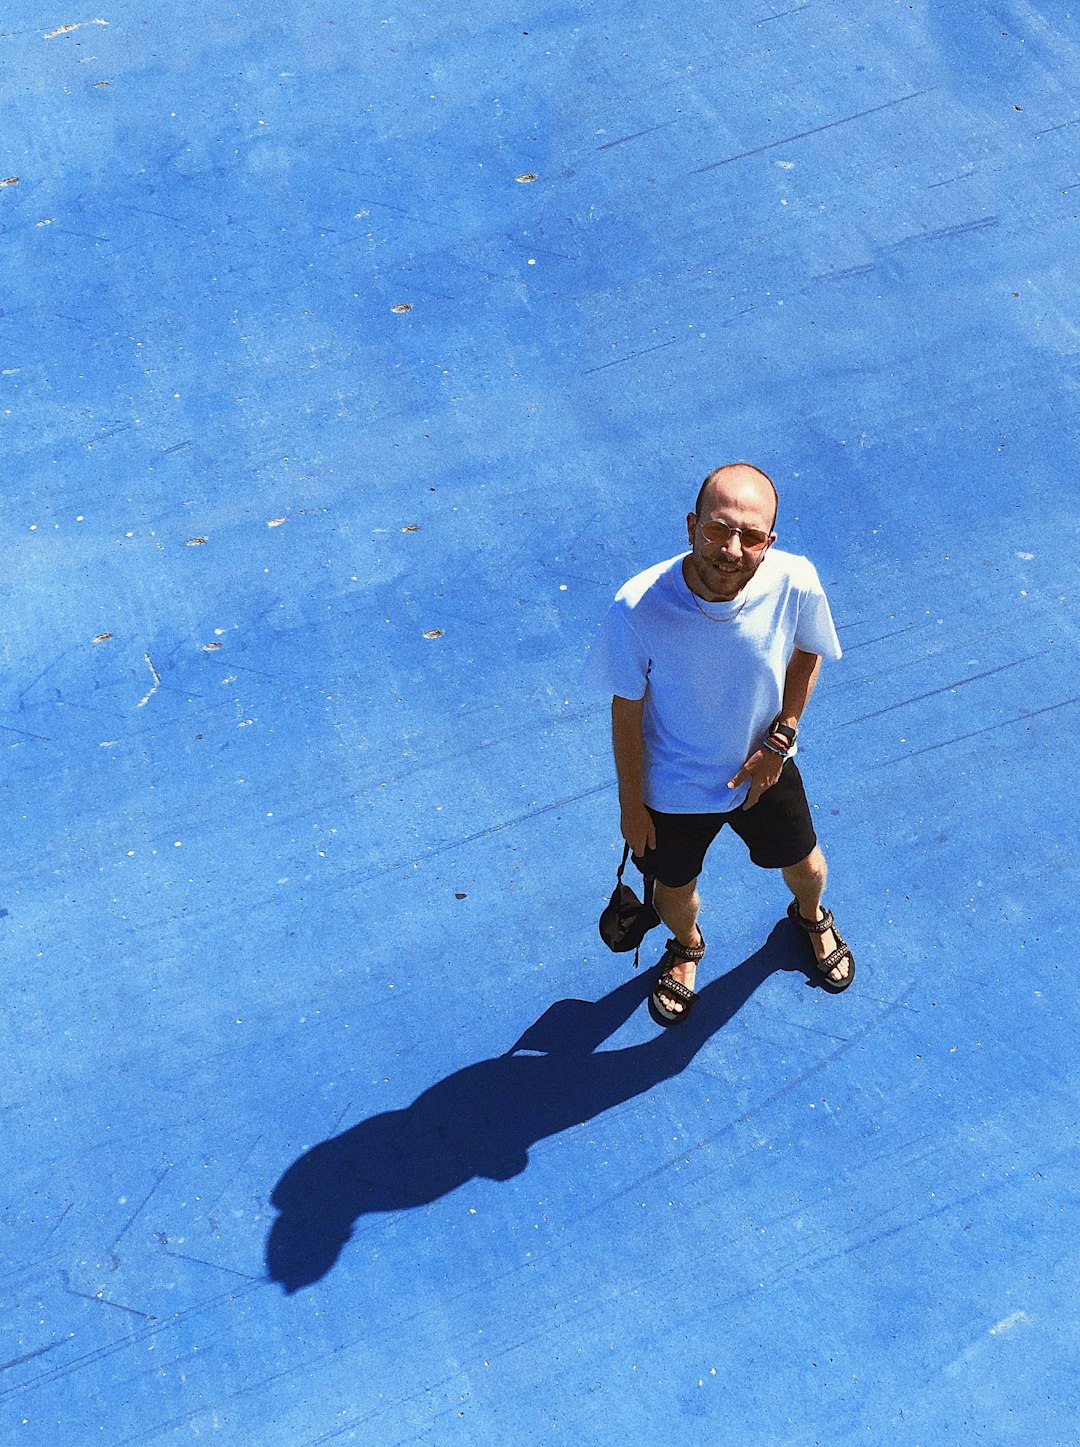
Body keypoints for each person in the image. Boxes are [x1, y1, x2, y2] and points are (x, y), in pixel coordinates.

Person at [584, 462, 854, 1026]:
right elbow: (626, 713)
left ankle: (810, 914)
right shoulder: (636, 609)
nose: (730, 549)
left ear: (768, 543)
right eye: (717, 529)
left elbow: (810, 651)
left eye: (750, 537)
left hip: (764, 769)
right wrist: (631, 807)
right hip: (672, 788)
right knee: (672, 892)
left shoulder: (795, 580)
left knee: (807, 868)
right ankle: (686, 945)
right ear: (691, 526)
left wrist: (781, 738)